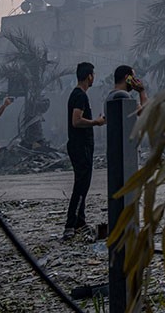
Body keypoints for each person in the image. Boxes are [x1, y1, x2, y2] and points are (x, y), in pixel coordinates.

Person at [64, 62, 105, 240]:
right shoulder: (80, 96)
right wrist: (95, 122)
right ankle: (71, 224)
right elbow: (76, 121)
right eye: (93, 75)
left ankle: (80, 222)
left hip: (80, 146)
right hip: (81, 146)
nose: (94, 77)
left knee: (83, 185)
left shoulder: (77, 95)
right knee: (81, 186)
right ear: (89, 76)